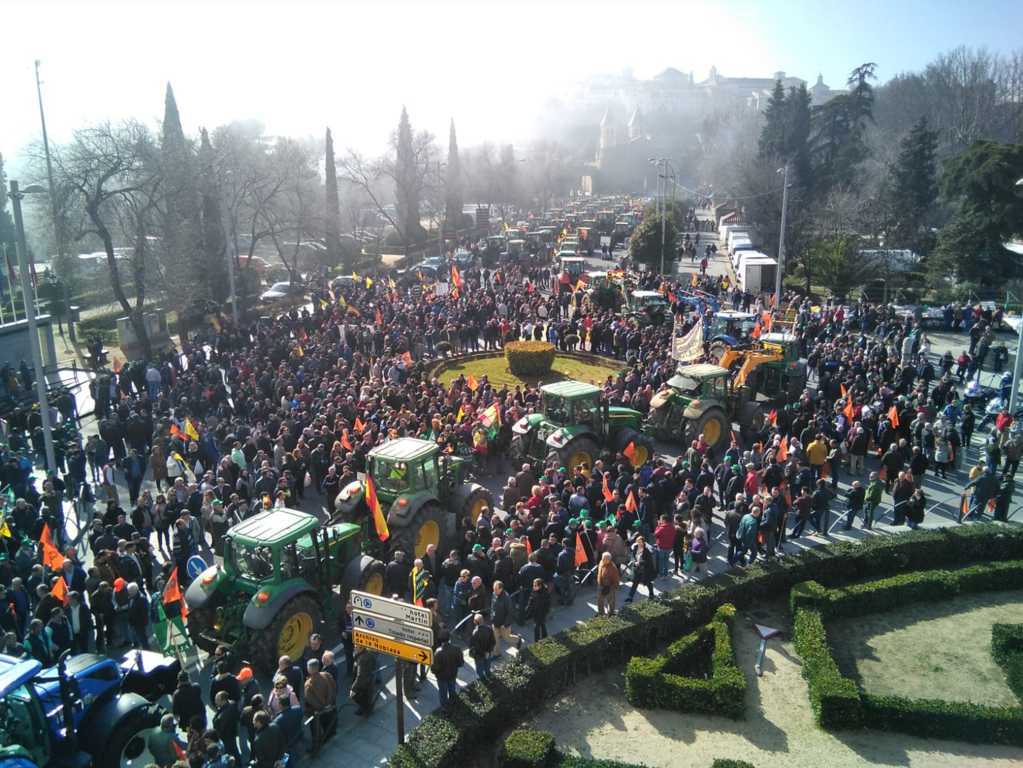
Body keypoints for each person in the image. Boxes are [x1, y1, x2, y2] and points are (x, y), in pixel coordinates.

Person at [303, 657, 337, 751]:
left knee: (317, 729)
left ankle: (317, 746)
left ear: (309, 669)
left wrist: (321, 708)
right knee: (329, 725)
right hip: (330, 707)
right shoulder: (326, 675)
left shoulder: (308, 684)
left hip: (319, 712)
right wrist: (330, 704)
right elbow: (334, 688)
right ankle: (329, 737)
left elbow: (309, 700)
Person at [430, 631, 464, 707]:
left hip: (442, 677)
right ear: (449, 638)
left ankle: (445, 708)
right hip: (453, 674)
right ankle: (453, 703)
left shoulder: (438, 652)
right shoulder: (457, 649)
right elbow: (461, 663)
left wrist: (435, 671)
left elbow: (434, 668)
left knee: (443, 693)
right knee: (452, 690)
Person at [490, 581, 522, 654]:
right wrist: (491, 616)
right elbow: (492, 606)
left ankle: (518, 639)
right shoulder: (494, 594)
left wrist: (505, 624)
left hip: (503, 624)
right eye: (493, 589)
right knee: (495, 639)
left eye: (496, 589)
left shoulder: (506, 598)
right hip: (495, 622)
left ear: (501, 589)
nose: (494, 591)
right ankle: (496, 653)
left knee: (506, 638)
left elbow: (510, 613)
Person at [625, 537, 656, 602]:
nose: (639, 543)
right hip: (637, 569)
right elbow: (633, 556)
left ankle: (651, 594)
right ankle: (630, 597)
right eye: (638, 542)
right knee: (635, 583)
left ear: (643, 542)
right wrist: (634, 562)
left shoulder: (646, 550)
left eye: (640, 542)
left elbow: (649, 561)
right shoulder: (635, 547)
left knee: (648, 582)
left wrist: (640, 562)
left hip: (645, 570)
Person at [211, 691, 240, 761]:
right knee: (234, 749)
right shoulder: (232, 704)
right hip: (232, 732)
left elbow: (220, 727)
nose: (215, 702)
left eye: (217, 700)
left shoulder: (223, 716)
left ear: (223, 701)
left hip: (226, 736)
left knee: (229, 752)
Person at [350, 645, 377, 716]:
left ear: (361, 648)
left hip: (364, 682)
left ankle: (367, 711)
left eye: (356, 647)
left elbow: (360, 676)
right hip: (366, 680)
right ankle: (363, 708)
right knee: (364, 697)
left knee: (358, 696)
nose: (354, 648)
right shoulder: (362, 654)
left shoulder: (363, 659)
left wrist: (353, 689)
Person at [468, 612, 496, 680]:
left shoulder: (475, 633)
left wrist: (483, 653)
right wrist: (488, 651)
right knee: (487, 666)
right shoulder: (489, 629)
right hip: (488, 653)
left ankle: (483, 680)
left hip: (479, 656)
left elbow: (474, 646)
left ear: (475, 622)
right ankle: (489, 676)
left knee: (479, 669)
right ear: (483, 620)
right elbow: (493, 642)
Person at [596, 552, 620, 616]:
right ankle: (601, 613)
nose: (604, 560)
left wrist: (614, 587)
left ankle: (611, 613)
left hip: (609, 586)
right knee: (600, 600)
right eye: (603, 558)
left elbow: (616, 579)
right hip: (601, 585)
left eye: (606, 559)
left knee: (611, 601)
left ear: (610, 559)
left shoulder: (613, 567)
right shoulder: (601, 562)